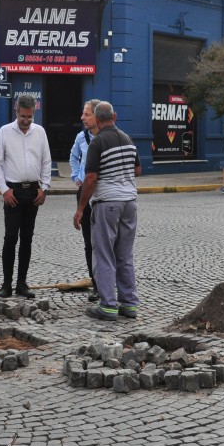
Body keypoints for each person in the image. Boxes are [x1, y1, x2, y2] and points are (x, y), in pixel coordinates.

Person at [73, 101, 141, 321]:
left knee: (103, 254)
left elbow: (91, 178)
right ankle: (129, 304)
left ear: (97, 119)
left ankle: (108, 305)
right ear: (115, 116)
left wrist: (81, 208)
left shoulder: (98, 142)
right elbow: (137, 170)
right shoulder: (128, 139)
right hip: (130, 202)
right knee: (124, 254)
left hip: (107, 203)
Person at [0, 94, 52, 299]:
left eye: (30, 116)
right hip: (13, 192)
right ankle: (6, 284)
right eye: (23, 116)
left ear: (34, 112)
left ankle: (22, 284)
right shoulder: (5, 132)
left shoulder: (40, 132)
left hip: (33, 192)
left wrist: (44, 188)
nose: (26, 121)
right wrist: (4, 190)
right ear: (16, 111)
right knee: (10, 238)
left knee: (27, 239)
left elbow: (46, 161)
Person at [69, 99, 101, 302]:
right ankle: (96, 283)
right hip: (84, 194)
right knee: (89, 242)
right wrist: (76, 176)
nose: (82, 118)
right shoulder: (81, 137)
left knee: (104, 242)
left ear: (97, 117)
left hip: (103, 195)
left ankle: (107, 281)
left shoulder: (107, 137)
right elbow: (73, 157)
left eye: (86, 114)